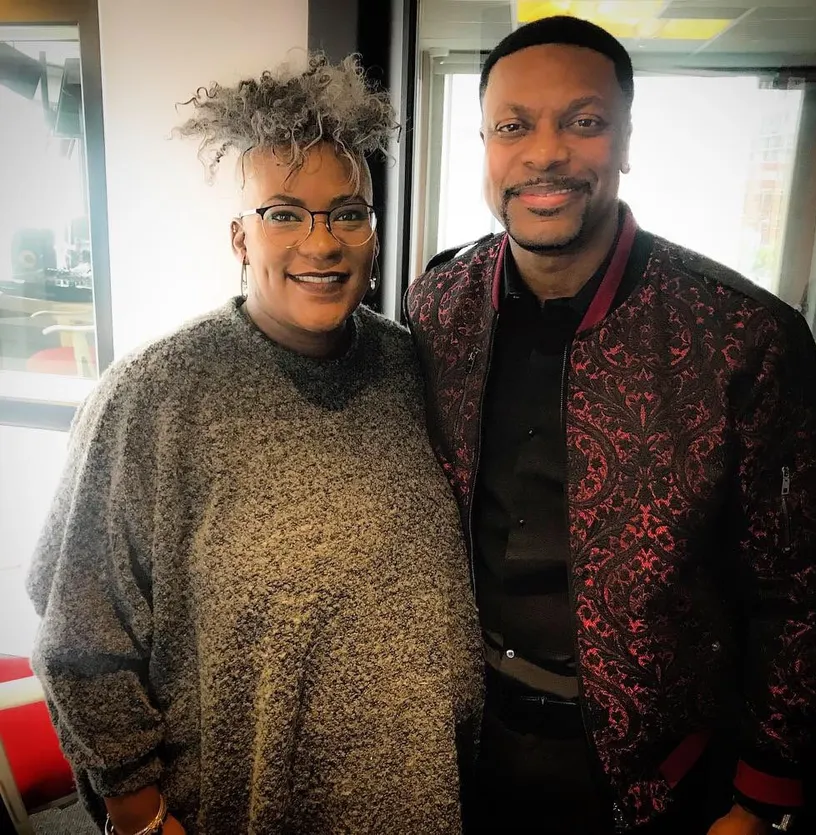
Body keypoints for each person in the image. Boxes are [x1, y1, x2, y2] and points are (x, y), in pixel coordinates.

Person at [405, 16, 816, 835]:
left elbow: (799, 589)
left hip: (658, 775)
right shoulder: (437, 304)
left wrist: (761, 794)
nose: (545, 153)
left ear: (626, 140)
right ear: (486, 145)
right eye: (514, 126)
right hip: (458, 744)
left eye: (584, 121)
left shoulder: (739, 334)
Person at [27, 55, 483, 835]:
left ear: (373, 235)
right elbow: (79, 628)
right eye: (284, 213)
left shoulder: (412, 369)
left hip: (422, 803)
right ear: (240, 236)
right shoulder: (156, 393)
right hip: (241, 808)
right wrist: (137, 812)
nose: (322, 242)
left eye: (347, 214)